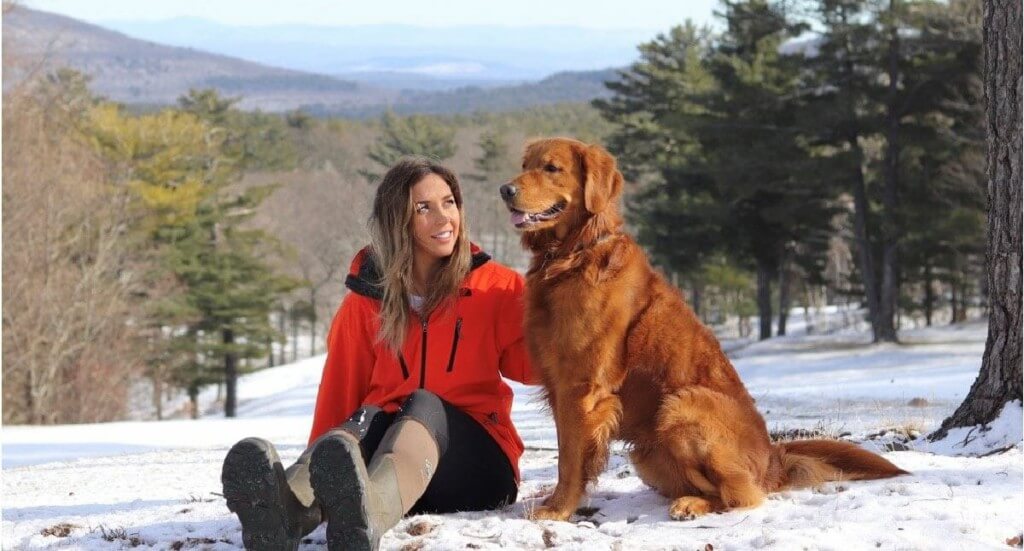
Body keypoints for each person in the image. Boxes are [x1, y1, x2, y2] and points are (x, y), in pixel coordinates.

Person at [220, 157, 534, 551]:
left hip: (480, 466)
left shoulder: (496, 288)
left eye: (449, 202)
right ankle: (290, 510)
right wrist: (316, 467)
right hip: (390, 468)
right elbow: (341, 394)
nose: (444, 217)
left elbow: (542, 366)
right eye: (424, 208)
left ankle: (368, 517)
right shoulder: (365, 303)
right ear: (396, 219)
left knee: (422, 404)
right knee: (368, 415)